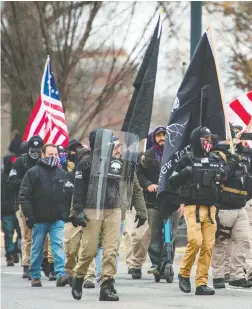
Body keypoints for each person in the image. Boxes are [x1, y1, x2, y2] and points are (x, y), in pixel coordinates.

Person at [70, 129, 147, 301]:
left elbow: (134, 188)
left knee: (111, 250)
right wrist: (76, 212)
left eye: (113, 142)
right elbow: (78, 191)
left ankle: (107, 285)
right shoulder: (86, 163)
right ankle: (79, 275)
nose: (113, 146)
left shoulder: (121, 164)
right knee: (89, 250)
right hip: (92, 209)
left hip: (114, 209)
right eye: (108, 142)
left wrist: (141, 210)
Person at [168, 126, 237, 295]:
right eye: (204, 139)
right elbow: (171, 182)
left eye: (209, 139)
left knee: (208, 246)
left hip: (211, 209)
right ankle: (184, 274)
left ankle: (201, 283)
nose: (208, 142)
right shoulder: (186, 159)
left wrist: (232, 163)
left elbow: (224, 176)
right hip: (193, 208)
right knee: (196, 241)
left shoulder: (215, 158)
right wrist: (185, 172)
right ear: (196, 140)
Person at [18, 144, 72, 287]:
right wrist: (29, 216)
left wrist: (66, 213)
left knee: (58, 246)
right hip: (39, 219)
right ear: (42, 155)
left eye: (55, 155)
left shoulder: (62, 174)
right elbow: (24, 196)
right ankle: (35, 274)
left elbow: (69, 195)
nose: (53, 157)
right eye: (50, 155)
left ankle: (60, 274)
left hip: (57, 219)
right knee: (37, 248)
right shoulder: (32, 173)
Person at [223, 125, 252, 283]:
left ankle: (251, 267)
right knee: (228, 239)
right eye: (234, 134)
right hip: (228, 201)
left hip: (247, 200)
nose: (238, 137)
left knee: (246, 237)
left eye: (240, 134)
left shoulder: (250, 153)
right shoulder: (223, 153)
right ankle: (229, 270)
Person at [137, 126, 180, 279]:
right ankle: (156, 263)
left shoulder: (176, 155)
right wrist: (148, 184)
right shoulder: (145, 157)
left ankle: (167, 261)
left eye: (164, 135)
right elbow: (138, 174)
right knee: (154, 234)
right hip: (152, 202)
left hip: (172, 200)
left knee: (171, 234)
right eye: (159, 136)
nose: (162, 138)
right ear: (154, 138)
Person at [211, 140, 252, 289]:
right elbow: (220, 176)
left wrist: (245, 151)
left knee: (245, 240)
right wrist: (232, 161)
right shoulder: (216, 157)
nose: (234, 141)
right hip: (224, 207)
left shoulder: (238, 156)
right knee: (220, 243)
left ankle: (237, 275)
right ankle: (218, 276)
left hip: (240, 207)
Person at [8, 135, 46, 279]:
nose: (35, 154)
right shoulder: (19, 162)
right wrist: (27, 183)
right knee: (27, 234)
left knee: (44, 234)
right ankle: (27, 264)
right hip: (23, 202)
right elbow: (11, 182)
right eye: (33, 150)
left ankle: (45, 262)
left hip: (42, 203)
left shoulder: (45, 162)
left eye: (38, 151)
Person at [63, 146, 97, 288]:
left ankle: (89, 276)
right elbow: (64, 197)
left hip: (89, 216)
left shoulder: (95, 176)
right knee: (71, 248)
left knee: (87, 247)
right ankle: (70, 272)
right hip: (71, 217)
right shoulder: (70, 176)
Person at [2, 154, 20, 266]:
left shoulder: (17, 175)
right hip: (6, 210)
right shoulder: (2, 176)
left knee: (21, 233)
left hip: (18, 208)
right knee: (8, 233)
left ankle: (15, 249)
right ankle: (10, 254)